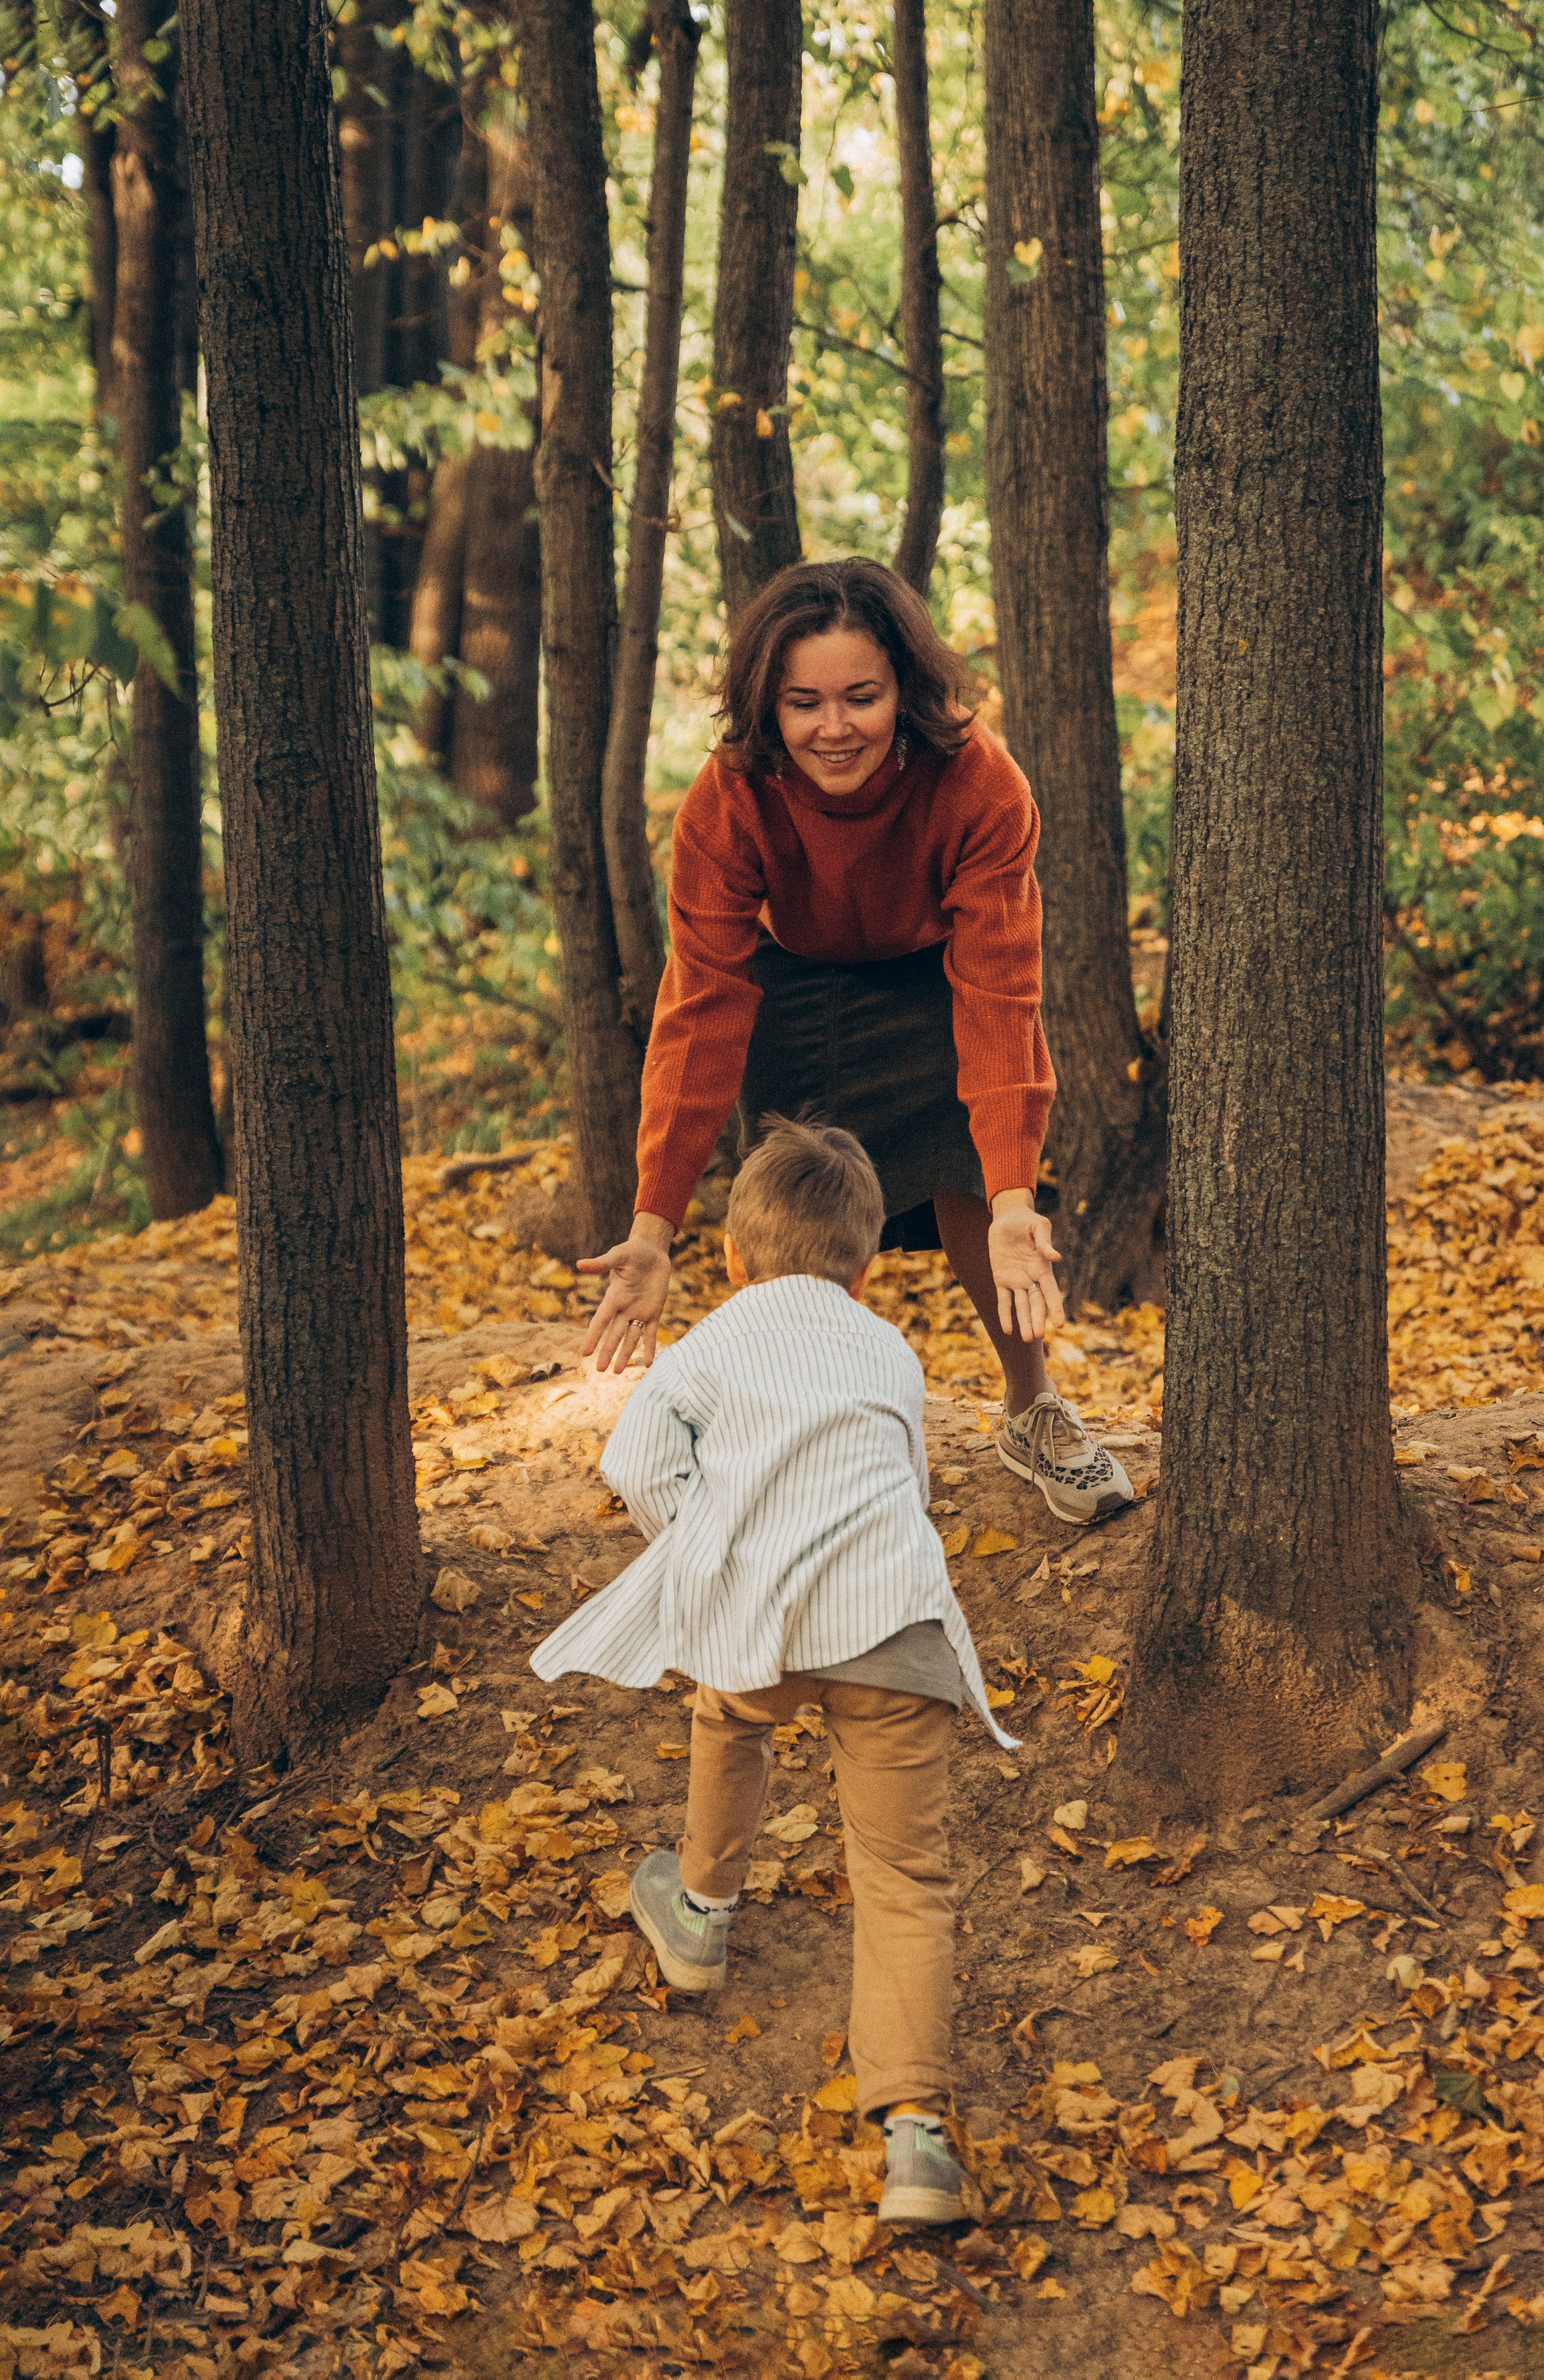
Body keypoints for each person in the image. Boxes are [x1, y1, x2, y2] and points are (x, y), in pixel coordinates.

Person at [578, 555, 1133, 1526]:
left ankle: (1032, 1407)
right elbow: (699, 1008)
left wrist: (1013, 1194)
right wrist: (652, 1227)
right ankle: (795, 1427)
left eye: (861, 697)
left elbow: (1003, 992)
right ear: (769, 708)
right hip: (791, 976)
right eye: (805, 703)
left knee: (972, 1169)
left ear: (905, 693)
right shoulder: (730, 798)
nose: (835, 727)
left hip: (933, 966)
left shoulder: (978, 782)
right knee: (790, 1195)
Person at [532, 1118, 1017, 2224]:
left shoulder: (706, 1345)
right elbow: (910, 1479)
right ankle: (918, 2142)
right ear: (869, 1262)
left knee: (727, 1709)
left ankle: (701, 1910)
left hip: (761, 1619)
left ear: (735, 1258)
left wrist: (709, 1541)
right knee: (902, 1874)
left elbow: (636, 1461)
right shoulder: (890, 1347)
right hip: (893, 1622)